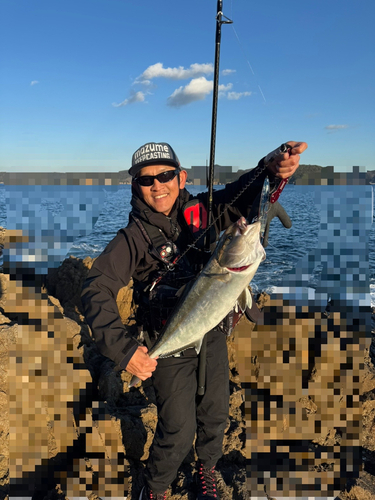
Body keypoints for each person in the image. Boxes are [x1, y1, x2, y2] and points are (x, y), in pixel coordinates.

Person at [81, 140, 307, 500]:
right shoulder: (132, 239)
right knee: (178, 426)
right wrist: (125, 351)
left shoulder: (206, 210)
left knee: (216, 412)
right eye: (146, 179)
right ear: (135, 186)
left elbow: (243, 193)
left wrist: (270, 165)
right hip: (166, 342)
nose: (158, 185)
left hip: (213, 332)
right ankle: (154, 488)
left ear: (181, 177)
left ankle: (207, 469)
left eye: (166, 175)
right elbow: (95, 289)